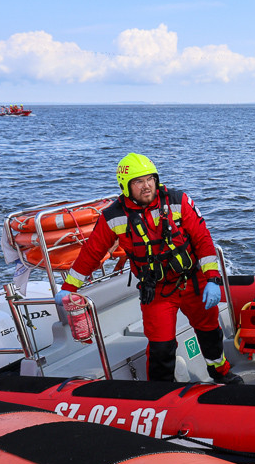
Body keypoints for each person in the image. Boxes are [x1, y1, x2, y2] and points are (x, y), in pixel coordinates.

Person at [55, 153, 241, 385]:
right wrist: (68, 287)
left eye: (150, 179)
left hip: (193, 281)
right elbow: (91, 253)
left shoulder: (178, 201)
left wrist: (213, 279)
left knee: (210, 333)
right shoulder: (113, 217)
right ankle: (160, 393)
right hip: (158, 291)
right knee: (161, 347)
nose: (147, 186)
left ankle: (221, 373)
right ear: (126, 186)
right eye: (138, 182)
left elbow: (203, 240)